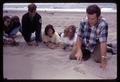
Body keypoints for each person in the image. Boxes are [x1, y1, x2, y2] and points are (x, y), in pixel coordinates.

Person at [69, 4, 108, 69]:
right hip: (85, 43)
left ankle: (106, 49)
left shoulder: (103, 24)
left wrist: (103, 59)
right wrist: (79, 50)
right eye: (88, 17)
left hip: (96, 44)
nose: (89, 21)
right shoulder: (83, 21)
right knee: (72, 56)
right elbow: (79, 37)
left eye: (92, 19)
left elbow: (103, 42)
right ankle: (87, 53)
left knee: (99, 60)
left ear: (98, 17)